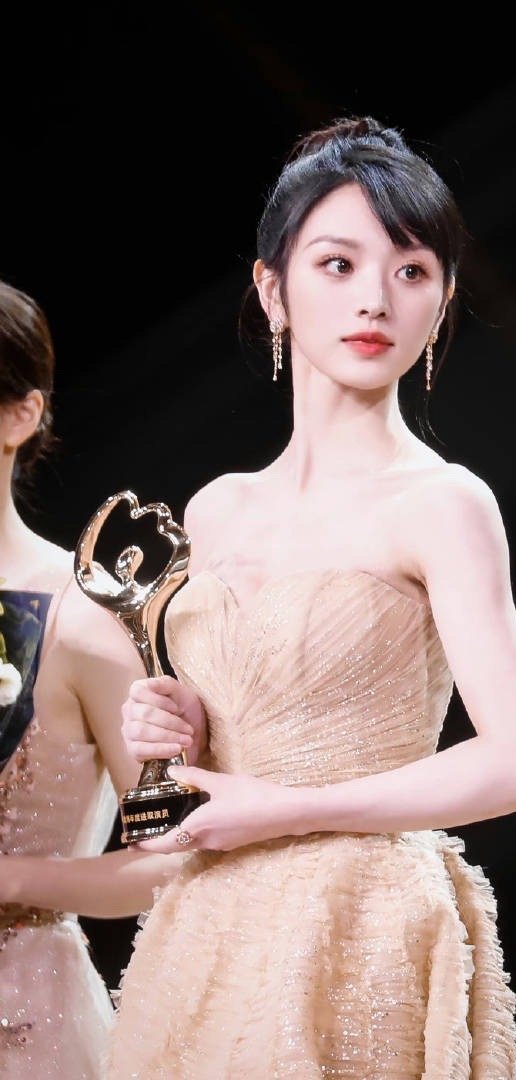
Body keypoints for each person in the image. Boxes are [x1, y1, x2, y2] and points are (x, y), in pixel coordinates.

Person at [108, 116, 516, 1079]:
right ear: (272, 289)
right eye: (337, 264)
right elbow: (233, 741)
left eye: (411, 271)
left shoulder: (441, 503)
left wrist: (284, 810)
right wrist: (177, 722)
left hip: (363, 926)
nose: (375, 299)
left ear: (441, 300)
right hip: (208, 929)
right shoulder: (217, 509)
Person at [0, 280, 184, 1078]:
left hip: (22, 1022)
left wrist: (13, 879)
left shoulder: (80, 619)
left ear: (20, 415)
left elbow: (173, 858)